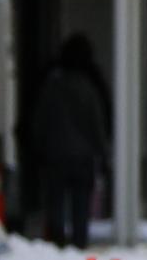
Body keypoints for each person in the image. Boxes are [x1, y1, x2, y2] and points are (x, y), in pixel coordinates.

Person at [29, 32, 108, 248]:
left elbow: (40, 121)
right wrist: (103, 155)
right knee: (80, 206)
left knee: (55, 204)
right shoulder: (89, 89)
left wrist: (39, 148)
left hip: (56, 156)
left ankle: (57, 243)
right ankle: (79, 243)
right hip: (83, 158)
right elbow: (97, 125)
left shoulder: (52, 87)